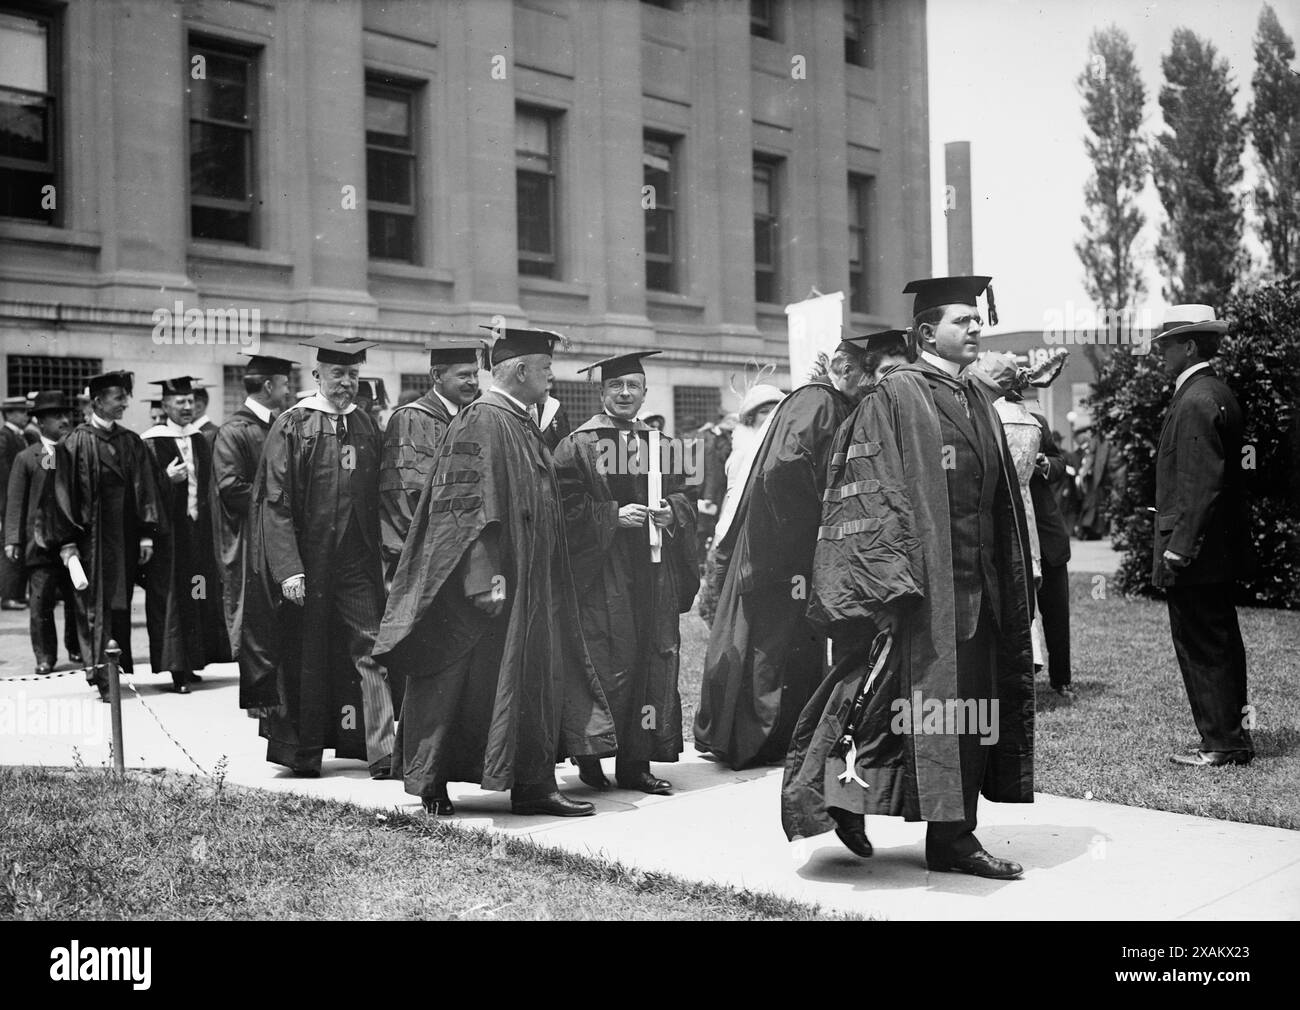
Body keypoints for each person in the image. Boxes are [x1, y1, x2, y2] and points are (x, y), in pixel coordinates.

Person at [783, 275, 1035, 880]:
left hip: (974, 591)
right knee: (871, 708)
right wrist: (891, 584)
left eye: (978, 321)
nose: (976, 329)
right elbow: (866, 493)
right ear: (926, 332)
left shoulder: (975, 397)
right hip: (914, 592)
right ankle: (842, 803)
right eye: (962, 322)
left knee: (965, 715)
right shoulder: (893, 397)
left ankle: (953, 839)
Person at [374, 327, 616, 818]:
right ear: (522, 371)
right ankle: (431, 783)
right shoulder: (482, 421)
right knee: (457, 677)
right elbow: (461, 509)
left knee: (525, 679)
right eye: (546, 371)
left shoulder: (518, 419)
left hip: (530, 579)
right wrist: (485, 576)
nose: (552, 380)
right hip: (494, 585)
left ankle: (531, 784)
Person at [694, 332, 881, 770]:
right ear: (847, 370)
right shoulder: (817, 401)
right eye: (872, 376)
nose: (874, 388)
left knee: (790, 645)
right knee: (770, 647)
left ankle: (775, 737)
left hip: (786, 546)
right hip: (780, 548)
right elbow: (782, 470)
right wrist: (812, 529)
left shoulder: (831, 403)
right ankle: (755, 740)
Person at [241, 334, 395, 778]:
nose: (346, 383)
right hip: (309, 564)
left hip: (357, 563)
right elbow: (275, 500)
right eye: (337, 374)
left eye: (352, 374)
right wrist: (288, 568)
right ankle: (304, 753)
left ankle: (382, 750)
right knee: (306, 656)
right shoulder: (293, 424)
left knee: (371, 648)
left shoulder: (365, 424)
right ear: (317, 377)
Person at [554, 351, 698, 794]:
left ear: (644, 393)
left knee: (651, 659)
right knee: (606, 661)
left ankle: (636, 763)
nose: (624, 393)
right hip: (602, 571)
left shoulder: (662, 443)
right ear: (601, 393)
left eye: (633, 386)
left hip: (653, 568)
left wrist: (671, 513)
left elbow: (687, 498)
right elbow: (561, 506)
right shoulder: (578, 444)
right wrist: (612, 515)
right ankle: (591, 754)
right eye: (616, 387)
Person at [1148, 305, 1253, 767]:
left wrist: (1179, 546)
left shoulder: (1194, 400)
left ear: (1189, 346)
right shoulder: (1218, 393)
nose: (1159, 354)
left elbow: (1199, 482)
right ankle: (1231, 735)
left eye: (1165, 345)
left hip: (1195, 551)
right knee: (1221, 640)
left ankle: (1222, 743)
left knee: (1202, 644)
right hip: (1217, 547)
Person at [44, 371, 163, 701]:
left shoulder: (130, 441)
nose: (125, 403)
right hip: (90, 542)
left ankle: (115, 670)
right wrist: (67, 543)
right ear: (97, 402)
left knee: (119, 605)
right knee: (93, 608)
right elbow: (61, 496)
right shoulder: (74, 443)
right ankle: (100, 675)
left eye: (126, 396)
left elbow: (145, 491)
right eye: (118, 398)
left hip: (123, 540)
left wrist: (146, 535)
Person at [140, 376, 230, 693]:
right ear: (165, 405)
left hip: (197, 532)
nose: (187, 407)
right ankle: (176, 669)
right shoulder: (150, 442)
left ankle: (193, 661)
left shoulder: (199, 439)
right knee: (173, 600)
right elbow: (143, 492)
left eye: (191, 401)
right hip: (169, 536)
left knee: (198, 593)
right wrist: (166, 479)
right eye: (180, 402)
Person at [212, 354, 296, 684]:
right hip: (249, 536)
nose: (288, 390)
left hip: (274, 532)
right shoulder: (235, 430)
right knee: (254, 614)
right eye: (285, 383)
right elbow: (230, 488)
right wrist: (280, 501)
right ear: (267, 385)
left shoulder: (277, 424)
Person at [379, 341, 483, 583]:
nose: (473, 382)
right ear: (436, 375)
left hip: (463, 553)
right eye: (464, 375)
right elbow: (402, 495)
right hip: (424, 556)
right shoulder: (411, 418)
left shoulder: (473, 417)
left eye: (476, 374)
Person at [4, 391, 80, 675]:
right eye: (56, 416)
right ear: (40, 421)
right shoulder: (26, 457)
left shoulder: (75, 454)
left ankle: (76, 647)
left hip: (72, 543)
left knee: (76, 600)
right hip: (39, 544)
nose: (64, 420)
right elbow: (15, 502)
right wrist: (12, 539)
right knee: (41, 602)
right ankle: (45, 656)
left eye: (66, 415)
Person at [0, 395, 32, 610]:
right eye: (21, 412)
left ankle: (18, 593)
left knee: (18, 545)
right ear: (10, 414)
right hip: (9, 500)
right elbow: (4, 472)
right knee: (10, 545)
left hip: (18, 499)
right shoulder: (4, 436)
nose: (25, 416)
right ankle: (9, 595)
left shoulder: (20, 436)